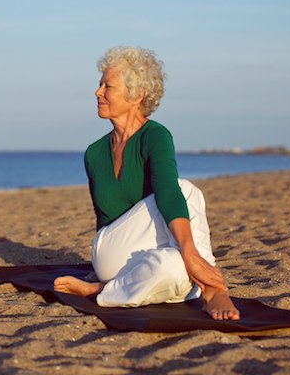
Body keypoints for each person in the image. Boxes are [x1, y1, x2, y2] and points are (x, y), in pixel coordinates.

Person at [54, 46, 240, 321]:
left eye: (108, 86)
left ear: (137, 94)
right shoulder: (94, 153)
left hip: (145, 257)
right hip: (110, 250)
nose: (98, 92)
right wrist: (192, 253)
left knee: (173, 269)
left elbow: (166, 192)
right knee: (187, 190)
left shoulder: (156, 136)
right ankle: (213, 287)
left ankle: (102, 290)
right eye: (99, 85)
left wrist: (184, 255)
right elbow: (104, 217)